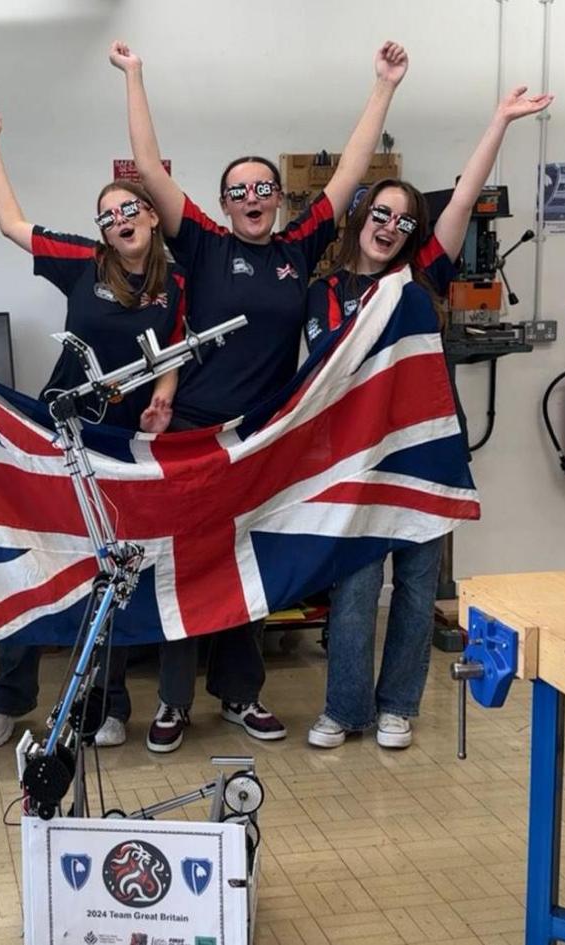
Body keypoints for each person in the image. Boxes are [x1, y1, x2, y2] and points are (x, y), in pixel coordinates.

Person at [110, 39, 410, 752]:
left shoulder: (298, 247)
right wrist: (135, 75)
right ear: (222, 203)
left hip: (263, 439)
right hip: (190, 437)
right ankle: (175, 703)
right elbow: (149, 169)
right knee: (183, 569)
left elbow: (352, 172)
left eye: (264, 188)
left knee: (246, 565)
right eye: (239, 190)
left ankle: (241, 695)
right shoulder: (206, 245)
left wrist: (383, 87)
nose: (252, 198)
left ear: (279, 199)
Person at [300, 85, 553, 750]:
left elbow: (465, 196)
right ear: (359, 217)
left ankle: (397, 706)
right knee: (353, 589)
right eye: (381, 214)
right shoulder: (323, 291)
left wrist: (498, 117)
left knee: (416, 585)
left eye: (405, 221)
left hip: (424, 454)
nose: (391, 227)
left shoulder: (421, 278)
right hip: (354, 459)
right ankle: (344, 707)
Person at [0, 101, 188, 751]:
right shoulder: (83, 262)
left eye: (130, 209)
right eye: (108, 214)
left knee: (109, 572)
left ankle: (105, 704)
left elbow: (175, 348)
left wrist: (164, 397)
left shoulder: (180, 280)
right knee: (38, 561)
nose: (120, 220)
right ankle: (10, 697)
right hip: (59, 436)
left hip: (124, 445)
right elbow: (11, 224)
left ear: (151, 215)